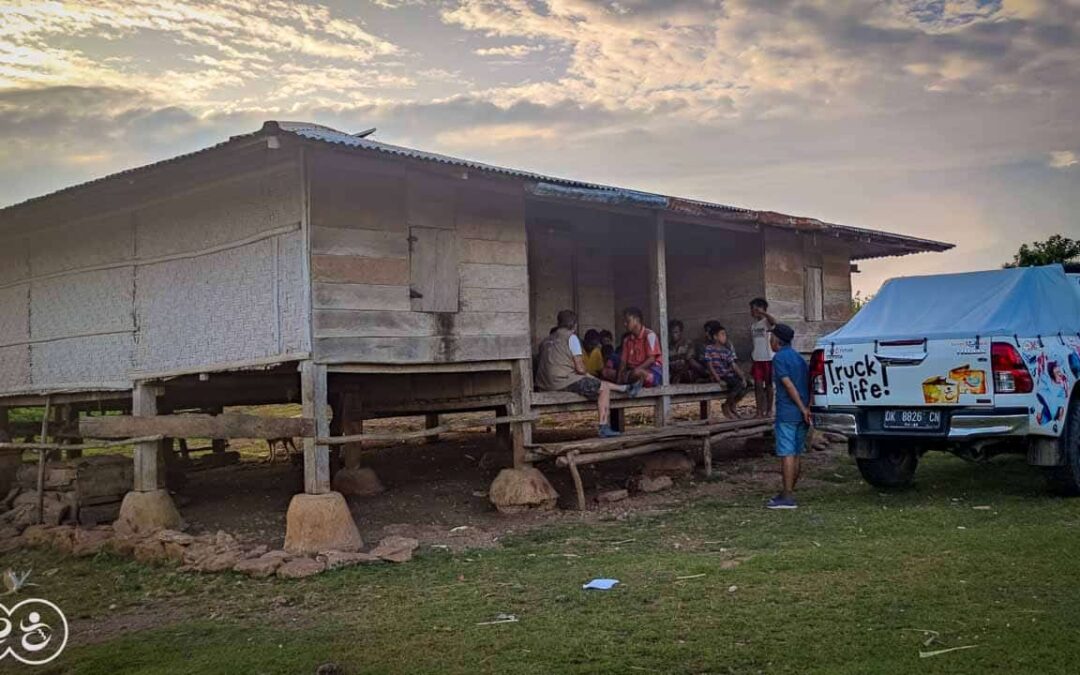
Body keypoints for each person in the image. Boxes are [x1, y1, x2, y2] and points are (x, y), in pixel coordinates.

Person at [535, 310, 641, 437]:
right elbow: (580, 369)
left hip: (543, 384)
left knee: (594, 381)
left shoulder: (546, 340)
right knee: (603, 388)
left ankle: (625, 388)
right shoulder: (572, 338)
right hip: (561, 382)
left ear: (558, 323)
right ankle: (603, 427)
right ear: (574, 325)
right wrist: (588, 375)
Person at [766, 323, 811, 510]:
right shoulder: (799, 359)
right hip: (803, 414)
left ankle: (788, 496)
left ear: (776, 340)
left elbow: (788, 385)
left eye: (771, 338)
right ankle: (787, 491)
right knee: (797, 453)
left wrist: (801, 407)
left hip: (788, 412)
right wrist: (807, 408)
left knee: (786, 453)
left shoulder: (779, 359)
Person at [702, 324, 749, 418]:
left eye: (725, 335)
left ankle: (733, 403)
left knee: (747, 384)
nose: (725, 337)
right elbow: (710, 366)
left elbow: (734, 365)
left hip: (728, 375)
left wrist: (742, 377)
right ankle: (726, 405)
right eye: (722, 334)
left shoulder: (726, 351)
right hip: (720, 375)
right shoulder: (709, 349)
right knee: (737, 385)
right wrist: (718, 379)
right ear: (715, 337)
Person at [617, 307, 663, 387]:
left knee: (637, 373)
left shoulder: (649, 335)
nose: (625, 324)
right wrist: (619, 378)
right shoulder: (627, 340)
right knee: (607, 372)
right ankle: (630, 383)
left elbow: (651, 359)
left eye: (627, 321)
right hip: (631, 372)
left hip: (651, 371)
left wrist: (635, 370)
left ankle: (631, 383)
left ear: (637, 320)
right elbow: (623, 363)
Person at [749, 298, 777, 418]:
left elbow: (774, 322)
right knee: (758, 386)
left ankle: (769, 410)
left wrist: (763, 313)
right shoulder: (753, 326)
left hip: (768, 358)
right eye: (752, 309)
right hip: (757, 359)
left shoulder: (766, 322)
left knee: (769, 385)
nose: (752, 311)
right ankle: (759, 411)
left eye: (754, 309)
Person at [668, 320, 695, 384]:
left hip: (686, 374)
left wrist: (679, 375)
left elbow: (689, 362)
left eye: (676, 332)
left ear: (681, 332)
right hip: (672, 374)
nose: (673, 335)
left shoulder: (688, 344)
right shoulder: (667, 347)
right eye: (671, 332)